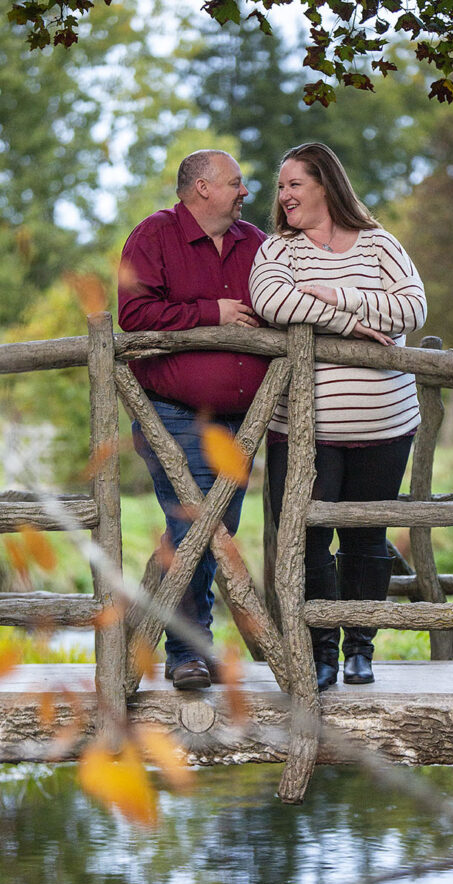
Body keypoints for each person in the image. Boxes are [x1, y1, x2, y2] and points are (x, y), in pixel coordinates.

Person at [249, 142, 426, 691]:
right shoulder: (279, 249)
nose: (283, 197)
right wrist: (350, 322)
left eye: (293, 185)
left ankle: (360, 651)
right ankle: (320, 650)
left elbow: (413, 307)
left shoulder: (380, 243)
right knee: (307, 538)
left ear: (324, 184)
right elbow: (272, 302)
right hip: (303, 433)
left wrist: (332, 291)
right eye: (281, 188)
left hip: (384, 426)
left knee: (367, 540)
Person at [118, 149, 268, 690]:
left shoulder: (256, 243)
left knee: (213, 528)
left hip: (243, 418)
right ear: (202, 188)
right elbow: (133, 317)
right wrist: (214, 313)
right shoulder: (153, 237)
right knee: (193, 524)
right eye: (235, 183)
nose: (244, 192)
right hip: (172, 412)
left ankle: (164, 638)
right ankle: (186, 654)